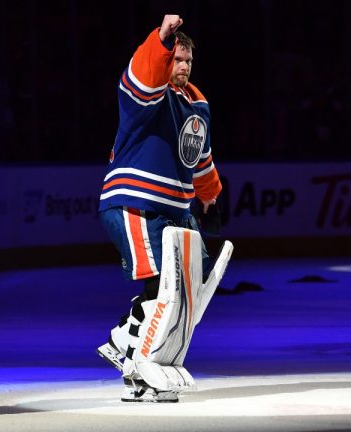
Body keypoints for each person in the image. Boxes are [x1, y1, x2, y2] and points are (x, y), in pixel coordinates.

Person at [96, 15, 223, 402]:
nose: (181, 66)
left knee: (183, 289)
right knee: (161, 285)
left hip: (176, 211)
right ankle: (129, 353)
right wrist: (161, 39)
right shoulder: (147, 97)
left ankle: (130, 351)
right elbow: (143, 76)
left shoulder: (197, 104)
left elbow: (198, 157)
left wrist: (210, 194)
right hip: (136, 202)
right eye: (176, 58)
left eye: (187, 60)